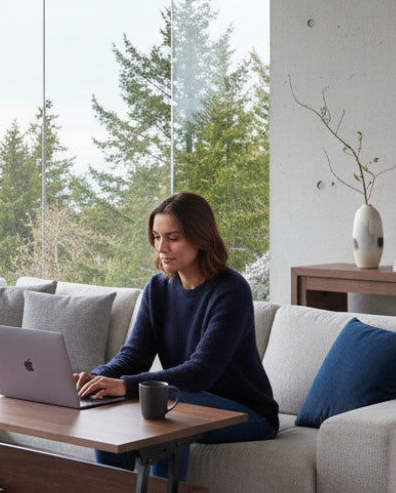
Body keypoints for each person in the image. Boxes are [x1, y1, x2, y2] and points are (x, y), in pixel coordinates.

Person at [75, 191, 278, 478]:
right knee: (108, 405)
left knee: (166, 412)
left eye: (173, 238)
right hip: (184, 398)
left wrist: (126, 385)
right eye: (156, 237)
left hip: (248, 412)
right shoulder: (158, 288)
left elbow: (201, 372)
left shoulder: (231, 290)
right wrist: (97, 378)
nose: (161, 248)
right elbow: (135, 355)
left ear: (200, 238)